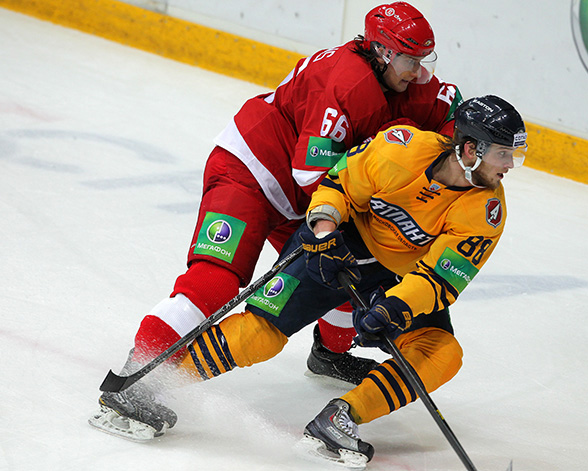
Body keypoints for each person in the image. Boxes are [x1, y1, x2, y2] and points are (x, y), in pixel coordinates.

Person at [90, 1, 464, 440]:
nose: (418, 71)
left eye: (423, 60)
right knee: (217, 279)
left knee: (342, 266)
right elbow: (311, 173)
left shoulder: (408, 81)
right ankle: (137, 375)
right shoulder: (346, 84)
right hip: (251, 172)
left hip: (300, 199)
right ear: (381, 51)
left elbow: (455, 117)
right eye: (409, 60)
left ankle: (329, 354)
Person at [94, 95, 527, 468]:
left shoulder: (486, 212)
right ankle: (152, 386)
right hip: (335, 244)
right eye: (502, 154)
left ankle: (340, 417)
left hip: (395, 277)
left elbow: (438, 279)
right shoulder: (402, 148)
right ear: (469, 149)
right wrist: (323, 232)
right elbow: (337, 185)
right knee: (262, 333)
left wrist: (394, 307)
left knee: (441, 352)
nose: (509, 166)